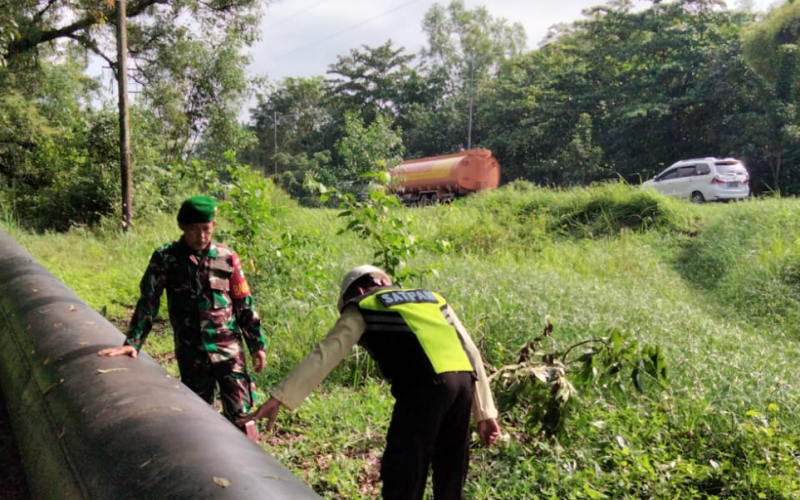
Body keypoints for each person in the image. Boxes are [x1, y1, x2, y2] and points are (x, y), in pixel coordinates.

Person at [239, 265, 500, 500]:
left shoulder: (364, 303)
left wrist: (279, 397)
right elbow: (470, 349)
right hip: (465, 381)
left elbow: (326, 353)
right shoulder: (432, 298)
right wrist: (485, 413)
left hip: (424, 387)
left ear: (359, 291)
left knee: (404, 470)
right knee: (451, 468)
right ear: (385, 282)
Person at [99, 195, 267, 430]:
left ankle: (249, 452)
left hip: (228, 351)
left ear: (214, 225)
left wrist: (257, 345)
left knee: (242, 416)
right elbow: (149, 301)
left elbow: (244, 304)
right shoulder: (166, 258)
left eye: (206, 229)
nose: (201, 236)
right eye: (194, 230)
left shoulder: (227, 257)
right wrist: (133, 342)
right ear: (182, 226)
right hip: (191, 353)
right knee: (198, 419)